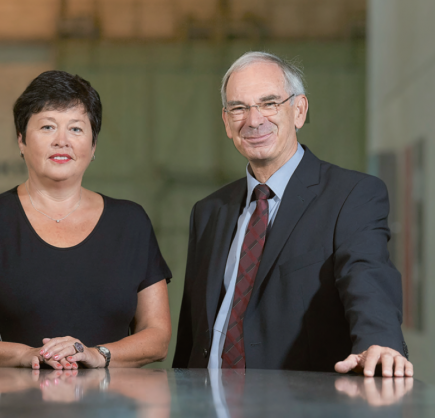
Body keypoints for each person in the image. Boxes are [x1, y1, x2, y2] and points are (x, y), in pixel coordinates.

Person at [173, 52, 413, 377]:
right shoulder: (208, 212)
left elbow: (367, 275)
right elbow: (193, 328)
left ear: (298, 111)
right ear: (227, 122)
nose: (254, 120)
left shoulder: (351, 196)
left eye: (269, 103)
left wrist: (380, 340)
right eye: (239, 108)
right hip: (205, 411)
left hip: (295, 412)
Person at [0, 71, 172, 370]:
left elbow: (157, 335)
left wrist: (98, 354)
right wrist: (23, 355)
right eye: (47, 127)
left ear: (93, 145)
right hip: (7, 409)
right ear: (21, 140)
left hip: (110, 412)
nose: (62, 141)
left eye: (76, 129)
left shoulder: (131, 222)